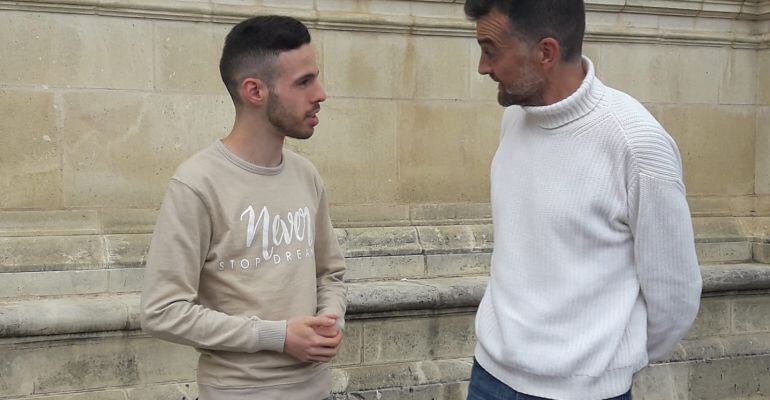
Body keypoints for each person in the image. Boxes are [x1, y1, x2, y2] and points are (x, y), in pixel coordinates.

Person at [463, 1, 703, 399]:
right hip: (489, 378)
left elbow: (675, 294)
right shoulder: (516, 120)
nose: (483, 67)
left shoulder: (637, 144)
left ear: (546, 53)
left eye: (491, 51)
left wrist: (600, 368)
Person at [140, 15, 346, 400]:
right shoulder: (197, 183)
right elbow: (161, 311)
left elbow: (330, 273)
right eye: (304, 81)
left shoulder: (306, 176)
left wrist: (331, 320)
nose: (321, 93)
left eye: (315, 77)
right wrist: (278, 336)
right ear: (255, 90)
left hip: (316, 389)